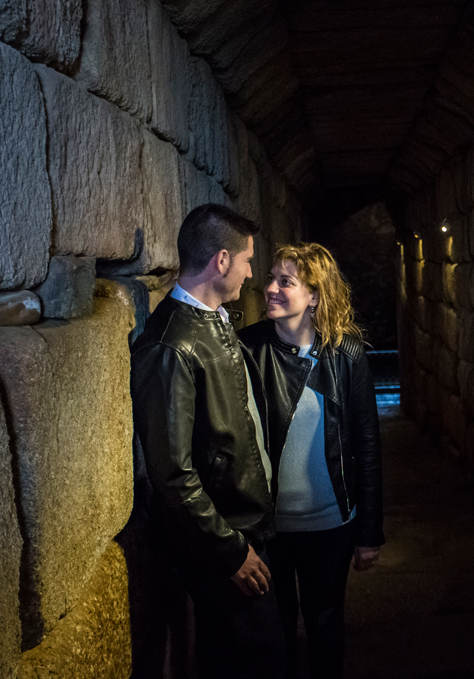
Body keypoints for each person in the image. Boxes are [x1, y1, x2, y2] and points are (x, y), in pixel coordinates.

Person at [131, 204, 285, 679]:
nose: (251, 273)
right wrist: (229, 550)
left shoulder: (213, 321)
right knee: (250, 661)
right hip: (226, 540)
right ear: (221, 261)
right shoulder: (171, 345)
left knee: (248, 655)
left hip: (245, 529)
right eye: (246, 261)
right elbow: (173, 474)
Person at [240, 243, 384, 679]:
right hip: (270, 529)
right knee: (275, 629)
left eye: (285, 281)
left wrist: (369, 531)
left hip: (330, 525)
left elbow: (367, 443)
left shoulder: (347, 354)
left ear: (316, 295)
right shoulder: (246, 348)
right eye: (270, 278)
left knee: (325, 623)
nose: (269, 289)